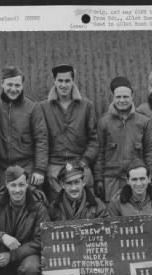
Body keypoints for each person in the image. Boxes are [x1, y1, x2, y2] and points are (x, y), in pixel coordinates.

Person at [0, 166, 50, 275]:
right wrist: (2, 237)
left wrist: (12, 255)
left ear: (27, 184)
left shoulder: (38, 207)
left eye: (21, 185)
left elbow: (40, 241)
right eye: (13, 185)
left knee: (32, 267)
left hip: (26, 254)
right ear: (7, 184)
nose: (17, 190)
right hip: (1, 254)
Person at [39, 64, 98, 201]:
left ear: (73, 81)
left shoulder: (86, 105)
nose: (64, 85)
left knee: (86, 205)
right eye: (60, 81)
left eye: (67, 81)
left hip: (80, 163)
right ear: (54, 81)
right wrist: (46, 166)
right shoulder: (43, 107)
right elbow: (40, 140)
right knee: (58, 208)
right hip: (55, 165)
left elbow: (94, 139)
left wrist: (85, 161)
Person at [95, 76, 152, 203]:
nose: (122, 100)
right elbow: (99, 153)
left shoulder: (144, 122)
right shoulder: (104, 122)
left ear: (132, 96)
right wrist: (98, 179)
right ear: (113, 97)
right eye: (118, 97)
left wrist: (151, 178)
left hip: (137, 180)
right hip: (112, 180)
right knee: (113, 216)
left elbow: (151, 153)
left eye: (125, 97)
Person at [0, 66, 48, 186]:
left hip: (26, 166)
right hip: (1, 168)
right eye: (9, 85)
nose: (13, 89)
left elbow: (41, 139)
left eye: (17, 85)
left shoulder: (33, 107)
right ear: (2, 84)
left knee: (29, 201)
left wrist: (40, 169)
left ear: (22, 86)